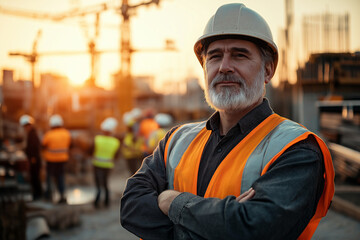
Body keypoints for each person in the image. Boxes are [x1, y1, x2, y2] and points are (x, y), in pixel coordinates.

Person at [120, 3, 335, 240]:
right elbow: (131, 207)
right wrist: (224, 220)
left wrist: (172, 201)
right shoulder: (175, 141)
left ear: (268, 70)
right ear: (204, 67)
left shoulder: (297, 149)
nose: (224, 67)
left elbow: (255, 230)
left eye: (239, 55)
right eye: (214, 56)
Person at [90, 117, 121, 208]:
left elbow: (91, 150)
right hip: (108, 165)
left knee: (98, 184)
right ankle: (107, 202)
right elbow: (116, 156)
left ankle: (97, 202)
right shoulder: (115, 142)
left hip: (97, 164)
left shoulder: (97, 139)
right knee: (105, 183)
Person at [42, 114, 71, 204]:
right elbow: (69, 145)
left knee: (50, 177)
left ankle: (49, 194)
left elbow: (43, 146)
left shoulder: (49, 134)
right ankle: (62, 195)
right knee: (60, 177)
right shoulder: (66, 133)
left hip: (51, 160)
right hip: (62, 159)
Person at [19, 114, 43, 200]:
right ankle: (37, 195)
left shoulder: (32, 134)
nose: (25, 128)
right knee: (34, 178)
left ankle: (38, 195)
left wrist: (32, 159)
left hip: (34, 160)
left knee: (35, 178)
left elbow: (33, 148)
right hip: (34, 159)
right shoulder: (32, 134)